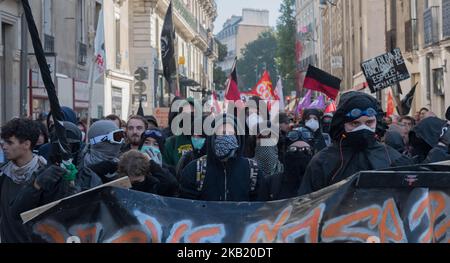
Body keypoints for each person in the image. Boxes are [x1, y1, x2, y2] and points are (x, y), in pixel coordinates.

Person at [298, 92, 414, 196]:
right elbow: (306, 204)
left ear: (376, 122)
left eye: (369, 122)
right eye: (355, 123)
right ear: (342, 123)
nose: (363, 128)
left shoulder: (392, 158)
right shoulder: (322, 161)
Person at [179, 114, 268, 202]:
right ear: (213, 136)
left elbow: (259, 207)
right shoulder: (195, 169)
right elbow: (188, 208)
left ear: (238, 137)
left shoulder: (252, 170)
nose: (227, 137)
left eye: (231, 133)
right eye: (223, 133)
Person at [0, 118, 48, 242]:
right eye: (3, 143)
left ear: (26, 144)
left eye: (10, 143)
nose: (4, 147)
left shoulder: (46, 175)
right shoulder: (3, 174)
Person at [77, 120, 125, 190]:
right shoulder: (78, 166)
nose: (121, 142)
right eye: (117, 137)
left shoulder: (122, 166)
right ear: (101, 140)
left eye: (121, 136)